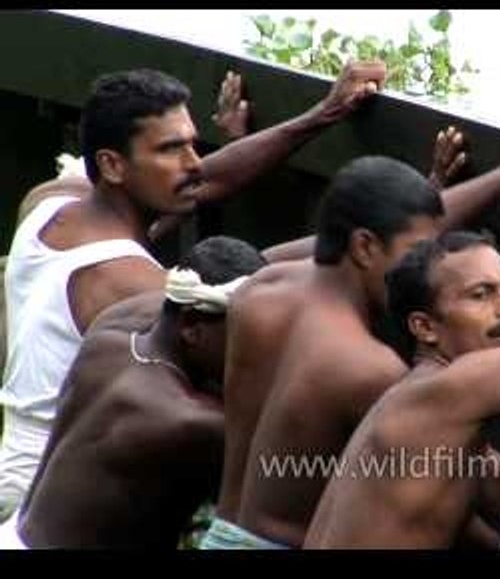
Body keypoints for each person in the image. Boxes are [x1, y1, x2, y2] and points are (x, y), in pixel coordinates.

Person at [0, 60, 385, 518]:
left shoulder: (47, 205)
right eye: (170, 149)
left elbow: (209, 179)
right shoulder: (126, 281)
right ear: (111, 164)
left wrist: (324, 112)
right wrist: (380, 235)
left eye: (192, 143)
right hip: (46, 491)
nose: (193, 161)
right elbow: (264, 279)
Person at [204, 119, 500, 549]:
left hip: (222, 533)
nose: (424, 264)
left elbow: (389, 234)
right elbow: (475, 487)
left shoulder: (263, 288)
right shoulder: (368, 368)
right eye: (416, 252)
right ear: (365, 246)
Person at [0, 236, 265, 548]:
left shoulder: (110, 333)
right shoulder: (190, 420)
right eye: (247, 337)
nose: (259, 351)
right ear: (192, 325)